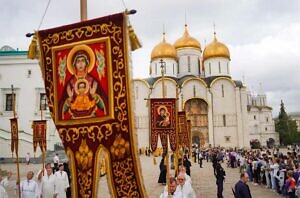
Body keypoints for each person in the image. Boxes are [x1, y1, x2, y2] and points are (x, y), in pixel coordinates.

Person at [61, 47, 107, 120]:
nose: (80, 63)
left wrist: (94, 95)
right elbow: (62, 111)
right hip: (74, 119)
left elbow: (104, 107)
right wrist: (69, 99)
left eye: (83, 61)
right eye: (78, 61)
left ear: (86, 63)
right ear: (74, 64)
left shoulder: (93, 81)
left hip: (92, 117)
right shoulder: (70, 83)